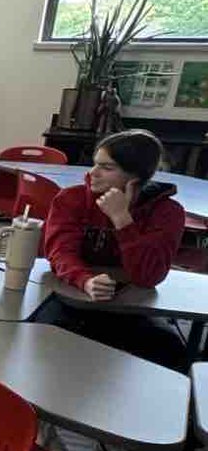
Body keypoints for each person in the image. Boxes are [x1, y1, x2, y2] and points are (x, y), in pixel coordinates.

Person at [38, 128, 186, 370]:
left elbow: (147, 276)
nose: (92, 173)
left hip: (131, 308)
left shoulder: (167, 213)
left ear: (135, 178)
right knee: (47, 337)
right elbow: (60, 253)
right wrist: (86, 280)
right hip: (72, 297)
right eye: (95, 164)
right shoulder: (71, 199)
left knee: (170, 350)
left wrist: (122, 220)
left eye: (107, 168)